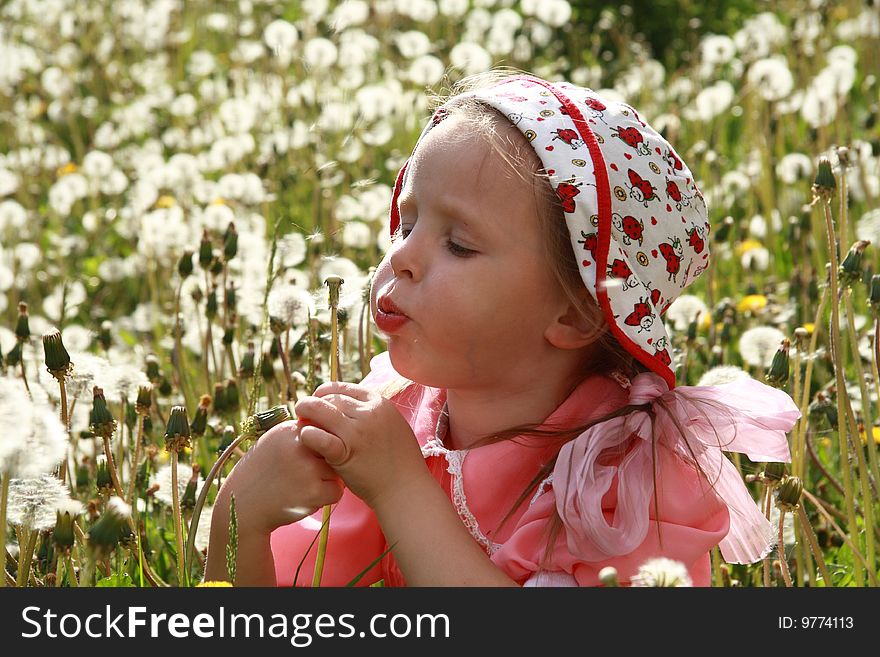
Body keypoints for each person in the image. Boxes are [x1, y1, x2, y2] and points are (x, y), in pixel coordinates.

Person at [205, 71, 801, 587]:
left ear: (577, 313)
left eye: (459, 244)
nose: (401, 256)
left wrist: (401, 490)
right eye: (406, 222)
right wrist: (241, 517)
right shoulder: (397, 418)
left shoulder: (619, 484)